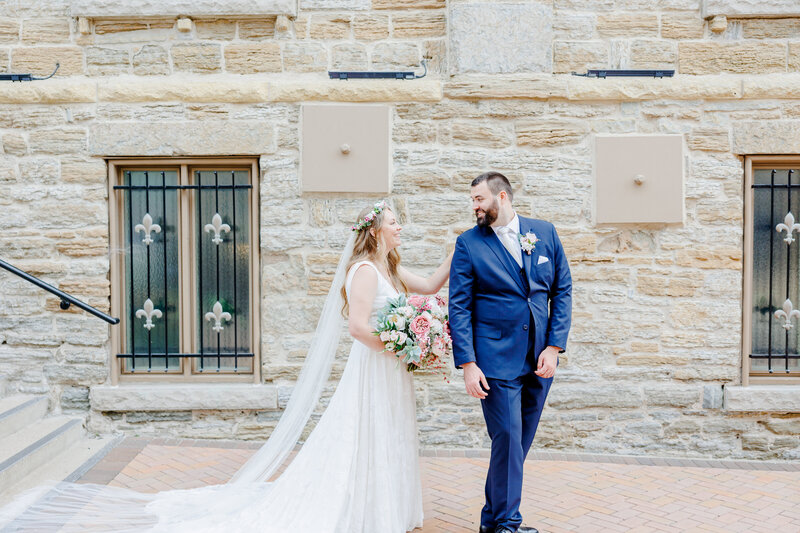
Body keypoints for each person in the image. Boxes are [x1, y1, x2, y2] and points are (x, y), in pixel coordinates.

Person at [0, 200, 453, 533]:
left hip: (391, 369)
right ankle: (366, 512)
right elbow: (356, 328)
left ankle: (388, 507)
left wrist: (461, 249)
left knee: (390, 432)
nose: (400, 230)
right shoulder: (363, 273)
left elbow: (432, 284)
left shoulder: (391, 270)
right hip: (374, 368)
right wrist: (397, 346)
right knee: (365, 434)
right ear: (375, 231)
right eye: (395, 223)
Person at [449, 172, 572, 533]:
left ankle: (492, 520)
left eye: (479, 199)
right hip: (494, 359)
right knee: (506, 437)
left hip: (539, 358)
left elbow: (561, 289)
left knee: (515, 445)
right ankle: (507, 524)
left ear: (501, 197)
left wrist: (553, 346)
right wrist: (469, 364)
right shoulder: (469, 244)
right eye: (472, 200)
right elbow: (459, 307)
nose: (474, 206)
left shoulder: (544, 232)